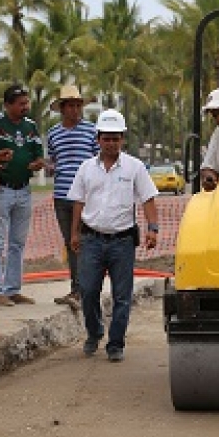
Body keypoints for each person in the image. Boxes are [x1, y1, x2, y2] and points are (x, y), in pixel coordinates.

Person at [68, 109, 159, 362]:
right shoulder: (86, 169)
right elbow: (78, 202)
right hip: (91, 240)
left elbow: (148, 199)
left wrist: (153, 229)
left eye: (115, 138)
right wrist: (74, 233)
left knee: (122, 295)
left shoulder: (135, 167)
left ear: (122, 139)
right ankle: (94, 331)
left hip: (122, 241)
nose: (111, 143)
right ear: (98, 139)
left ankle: (115, 343)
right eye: (106, 138)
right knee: (87, 290)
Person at [0, 84, 45, 307]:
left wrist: (37, 164)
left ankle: (13, 289)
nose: (25, 107)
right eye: (20, 103)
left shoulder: (31, 127)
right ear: (7, 105)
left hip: (23, 190)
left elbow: (39, 156)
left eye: (26, 102)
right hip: (1, 190)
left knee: (17, 243)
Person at [47, 84, 100, 311]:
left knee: (87, 242)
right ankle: (76, 288)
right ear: (62, 109)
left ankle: (87, 289)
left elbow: (98, 162)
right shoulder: (53, 134)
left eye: (79, 105)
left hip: (86, 196)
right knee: (71, 243)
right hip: (61, 195)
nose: (76, 110)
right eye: (71, 106)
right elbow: (53, 162)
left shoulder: (91, 131)